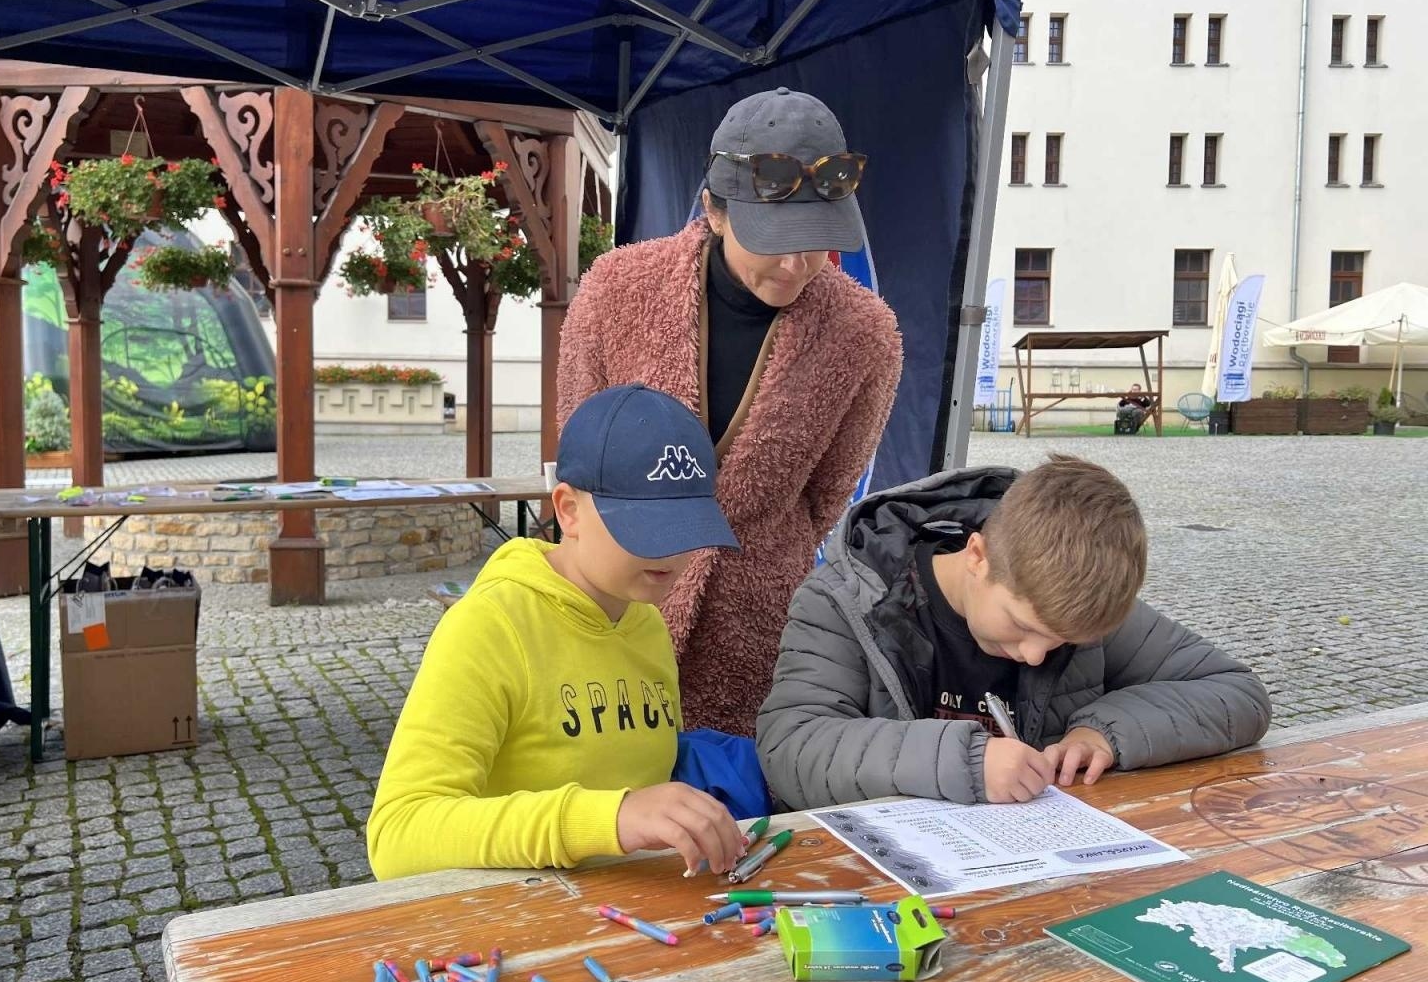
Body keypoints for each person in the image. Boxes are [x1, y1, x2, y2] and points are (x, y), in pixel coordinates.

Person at [558, 88, 902, 738]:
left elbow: (826, 496)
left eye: (818, 240)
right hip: (613, 599)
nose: (798, 264)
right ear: (714, 210)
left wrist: (757, 551)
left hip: (756, 627)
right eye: (775, 238)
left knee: (735, 809)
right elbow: (581, 446)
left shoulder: (864, 335)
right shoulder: (617, 290)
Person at [365, 384, 747, 880]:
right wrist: (606, 818)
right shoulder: (490, 627)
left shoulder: (644, 618)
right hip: (509, 925)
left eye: (686, 527)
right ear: (567, 510)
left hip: (628, 915)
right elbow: (398, 834)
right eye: (648, 529)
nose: (673, 557)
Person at [756, 455, 1271, 809]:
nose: (1034, 654)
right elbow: (790, 746)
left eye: (1061, 641)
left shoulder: (1077, 608)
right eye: (1022, 626)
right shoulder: (846, 599)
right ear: (977, 556)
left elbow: (1236, 693)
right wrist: (966, 761)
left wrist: (1105, 732)